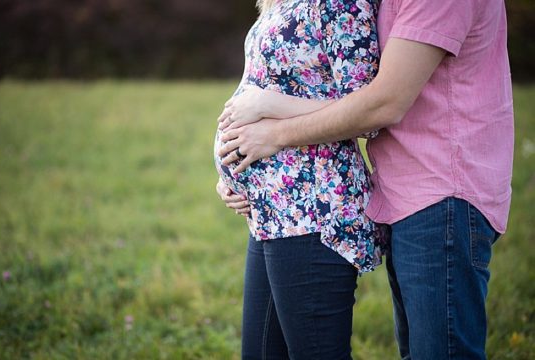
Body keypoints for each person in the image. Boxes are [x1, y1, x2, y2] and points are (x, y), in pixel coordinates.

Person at [218, 0, 514, 359]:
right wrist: (234, 168)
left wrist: (272, 128)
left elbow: (381, 103)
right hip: (398, 192)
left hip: (438, 191)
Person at [213, 0, 385, 358]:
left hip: (313, 210)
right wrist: (230, 175)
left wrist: (269, 106)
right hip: (270, 211)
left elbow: (367, 110)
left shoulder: (342, 4)